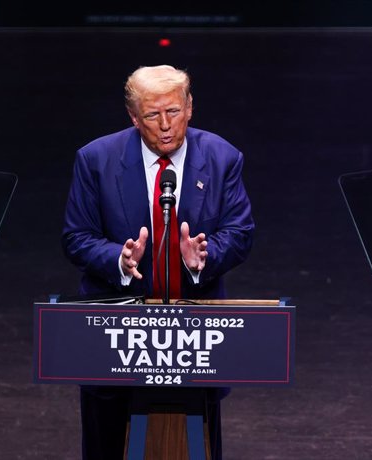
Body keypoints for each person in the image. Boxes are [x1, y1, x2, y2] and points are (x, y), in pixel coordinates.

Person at [62, 64, 255, 459]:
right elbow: (76, 237)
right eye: (152, 115)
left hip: (193, 339)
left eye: (174, 111)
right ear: (134, 118)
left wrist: (204, 257)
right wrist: (117, 257)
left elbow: (240, 232)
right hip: (117, 335)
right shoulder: (96, 159)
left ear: (190, 108)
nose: (166, 125)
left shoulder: (222, 157)